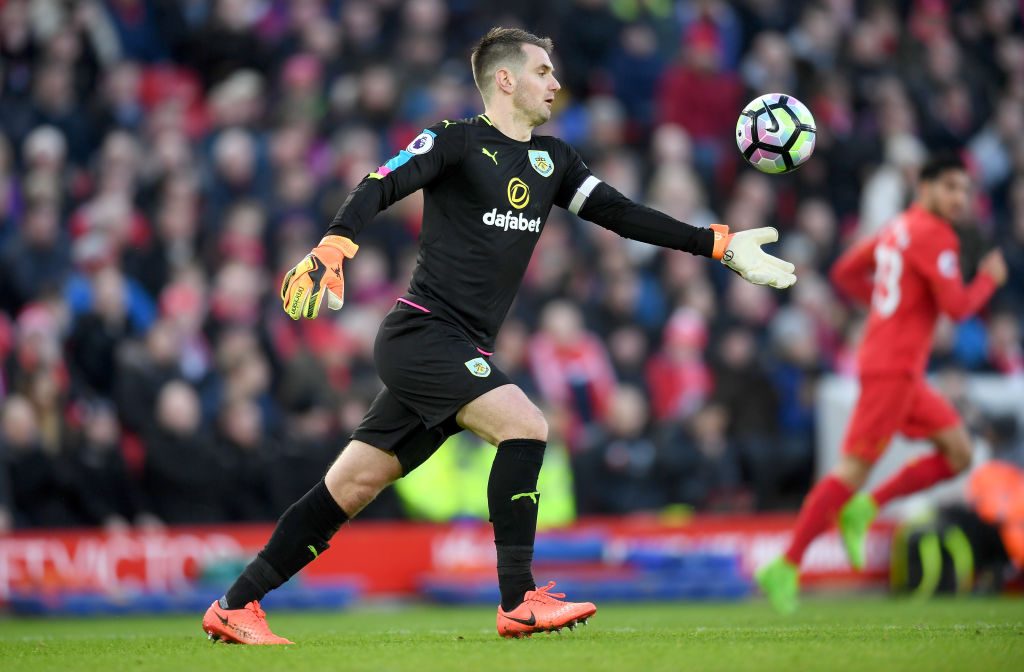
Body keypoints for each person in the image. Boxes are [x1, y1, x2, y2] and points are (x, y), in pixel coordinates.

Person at [202, 27, 796, 645]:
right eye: (543, 71)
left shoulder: (555, 160)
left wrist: (717, 244)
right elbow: (381, 181)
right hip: (422, 334)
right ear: (505, 79)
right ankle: (518, 601)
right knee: (527, 425)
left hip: (458, 348)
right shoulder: (456, 141)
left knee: (349, 486)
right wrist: (335, 243)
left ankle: (235, 605)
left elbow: (621, 215)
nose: (556, 83)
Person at [756, 152, 1008, 614]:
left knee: (959, 453)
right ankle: (786, 564)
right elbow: (956, 307)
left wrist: (888, 308)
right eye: (950, 187)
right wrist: (988, 280)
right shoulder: (936, 235)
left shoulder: (898, 227)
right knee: (852, 469)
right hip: (892, 370)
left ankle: (867, 507)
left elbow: (845, 273)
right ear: (926, 187)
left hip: (897, 367)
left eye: (965, 190)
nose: (959, 198)